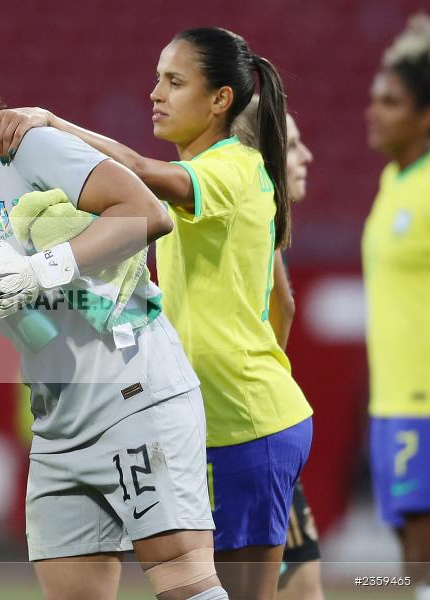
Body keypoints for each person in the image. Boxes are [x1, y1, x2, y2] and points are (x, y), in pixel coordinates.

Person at [0, 48, 227, 600]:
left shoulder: (21, 149)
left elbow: (147, 213)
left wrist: (39, 269)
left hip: (136, 397)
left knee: (187, 588)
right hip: (56, 430)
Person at [0, 27, 314, 599]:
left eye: (174, 81)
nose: (155, 93)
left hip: (246, 424)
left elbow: (143, 169)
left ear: (220, 100)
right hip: (202, 417)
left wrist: (54, 126)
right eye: (157, 79)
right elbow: (280, 301)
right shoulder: (217, 176)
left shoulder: (234, 168)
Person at [235, 99, 323, 600]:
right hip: (251, 431)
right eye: (290, 146)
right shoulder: (252, 225)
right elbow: (282, 306)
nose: (305, 155)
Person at [362, 13, 430, 600]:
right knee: (410, 555)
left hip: (425, 399)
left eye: (391, 101)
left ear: (425, 116)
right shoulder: (393, 181)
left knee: (422, 551)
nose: (374, 110)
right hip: (393, 396)